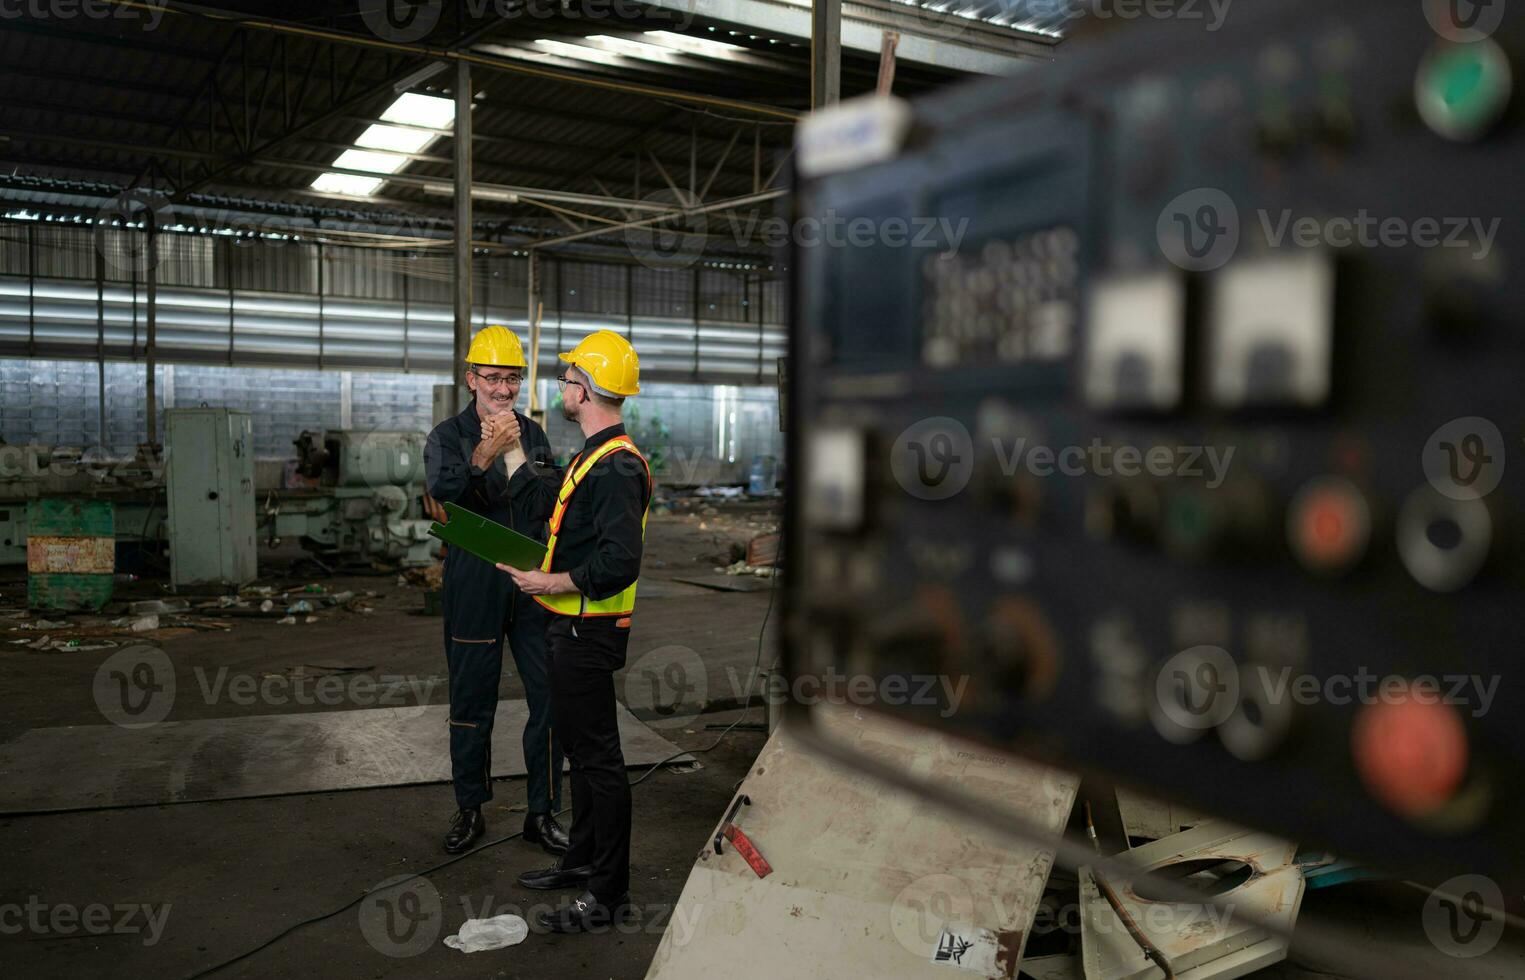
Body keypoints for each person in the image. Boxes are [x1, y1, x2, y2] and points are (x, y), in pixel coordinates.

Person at [494, 330, 651, 934]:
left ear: (583, 388)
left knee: (600, 763)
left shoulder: (615, 469)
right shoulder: (594, 455)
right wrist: (509, 449)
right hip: (572, 628)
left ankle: (608, 896)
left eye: (565, 379)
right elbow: (549, 500)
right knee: (586, 760)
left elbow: (619, 562)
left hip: (589, 631)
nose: (560, 386)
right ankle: (583, 861)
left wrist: (548, 583)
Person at [423, 324, 568, 858]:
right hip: (475, 581)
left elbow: (548, 502)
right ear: (471, 378)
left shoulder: (534, 434)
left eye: (512, 378)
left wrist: (514, 456)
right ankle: (469, 808)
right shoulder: (445, 437)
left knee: (550, 696)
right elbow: (444, 500)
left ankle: (542, 811)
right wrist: (483, 456)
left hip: (531, 583)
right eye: (493, 377)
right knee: (471, 700)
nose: (503, 388)